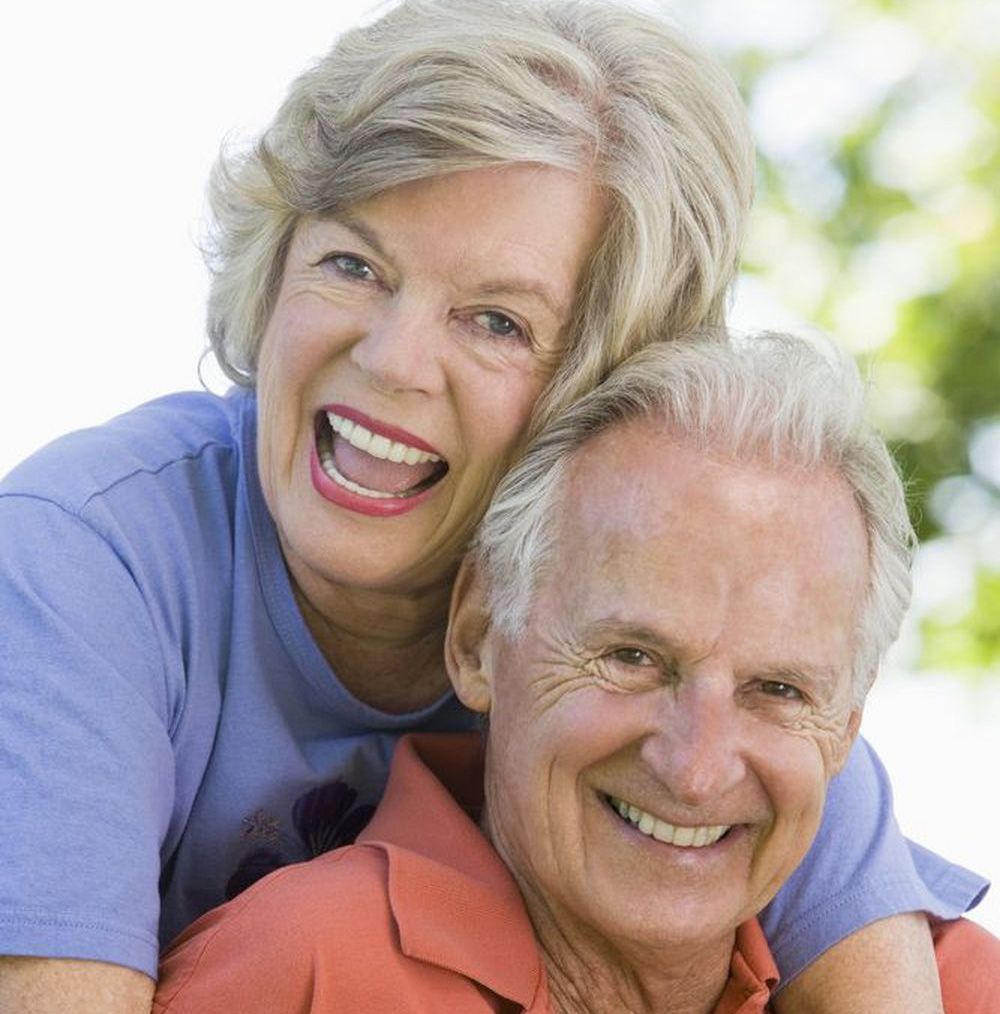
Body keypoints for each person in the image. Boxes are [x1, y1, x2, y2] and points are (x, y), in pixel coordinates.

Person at [0, 1, 984, 1011]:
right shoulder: (80, 560)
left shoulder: (699, 684)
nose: (393, 361)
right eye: (353, 265)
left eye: (497, 322)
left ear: (607, 386)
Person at [153, 332, 999, 1012]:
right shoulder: (306, 974)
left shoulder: (957, 992)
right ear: (478, 638)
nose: (696, 770)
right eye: (632, 658)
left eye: (778, 690)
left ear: (846, 728)